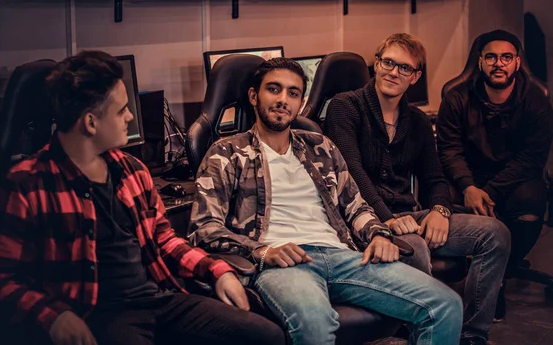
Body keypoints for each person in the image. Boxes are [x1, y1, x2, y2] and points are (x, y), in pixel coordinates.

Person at [0, 51, 285, 345]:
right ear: (90, 123)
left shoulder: (131, 170)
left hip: (157, 298)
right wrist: (54, 316)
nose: (130, 116)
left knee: (267, 335)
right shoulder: (27, 184)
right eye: (121, 110)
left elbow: (163, 240)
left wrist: (216, 271)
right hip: (98, 313)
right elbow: (4, 280)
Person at [189, 57, 463, 345]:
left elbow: (356, 206)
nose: (283, 100)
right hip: (282, 264)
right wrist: (261, 252)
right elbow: (204, 228)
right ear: (254, 96)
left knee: (444, 304)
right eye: (274, 89)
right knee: (315, 322)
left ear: (300, 102)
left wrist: (379, 234)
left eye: (293, 93)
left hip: (343, 255)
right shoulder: (227, 153)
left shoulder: (320, 146)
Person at [324, 33, 511, 345]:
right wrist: (388, 219)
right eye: (388, 63)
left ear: (415, 77)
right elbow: (352, 176)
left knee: (495, 234)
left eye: (404, 68)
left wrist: (439, 210)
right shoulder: (345, 107)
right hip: (366, 220)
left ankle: (471, 334)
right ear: (376, 64)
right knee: (416, 246)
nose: (394, 72)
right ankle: (420, 333)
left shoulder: (418, 120)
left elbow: (435, 178)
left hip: (411, 214)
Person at [436, 29, 553, 321]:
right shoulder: (456, 98)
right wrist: (468, 187)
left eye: (506, 57)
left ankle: (496, 275)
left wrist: (491, 191)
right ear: (480, 62)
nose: (498, 63)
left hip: (515, 177)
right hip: (469, 176)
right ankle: (476, 271)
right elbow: (449, 150)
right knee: (441, 204)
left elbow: (532, 158)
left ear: (516, 63)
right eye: (491, 57)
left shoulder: (536, 101)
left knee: (528, 210)